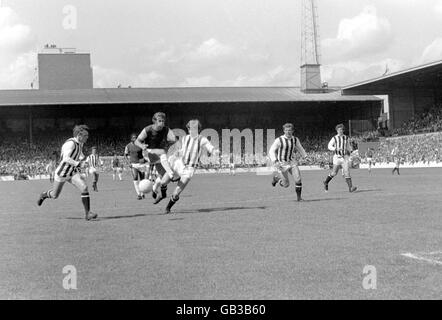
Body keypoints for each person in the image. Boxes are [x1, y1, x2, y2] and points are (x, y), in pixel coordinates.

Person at [37, 125, 97, 221]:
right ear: (79, 135)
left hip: (72, 172)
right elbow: (66, 158)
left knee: (84, 187)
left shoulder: (80, 143)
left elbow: (79, 154)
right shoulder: (70, 143)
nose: (87, 137)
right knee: (54, 195)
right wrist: (78, 163)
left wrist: (83, 160)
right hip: (62, 173)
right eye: (85, 135)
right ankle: (44, 195)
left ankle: (87, 214)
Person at [161, 119, 219, 213]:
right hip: (179, 164)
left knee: (176, 193)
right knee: (163, 182)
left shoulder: (202, 139)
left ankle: (167, 208)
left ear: (197, 129)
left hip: (189, 170)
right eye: (189, 128)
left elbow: (209, 147)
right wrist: (177, 153)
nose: (190, 130)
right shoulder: (185, 138)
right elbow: (183, 151)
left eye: (192, 128)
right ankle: (165, 191)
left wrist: (214, 151)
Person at [135, 112, 178, 203]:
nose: (161, 123)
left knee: (162, 177)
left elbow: (174, 140)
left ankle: (154, 188)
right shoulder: (148, 129)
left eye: (163, 121)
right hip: (148, 152)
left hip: (159, 155)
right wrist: (142, 146)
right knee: (162, 153)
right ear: (154, 121)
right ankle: (171, 174)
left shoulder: (166, 129)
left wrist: (169, 143)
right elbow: (137, 141)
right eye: (159, 121)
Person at [269, 123, 307, 202]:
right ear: (284, 131)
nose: (288, 132)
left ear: (292, 131)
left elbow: (300, 148)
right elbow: (271, 150)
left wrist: (305, 156)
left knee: (298, 179)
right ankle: (277, 179)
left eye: (289, 130)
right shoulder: (279, 140)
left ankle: (299, 198)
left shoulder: (295, 139)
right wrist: (275, 161)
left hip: (292, 162)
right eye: (286, 130)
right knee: (286, 185)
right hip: (282, 164)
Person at [323, 124, 357, 193]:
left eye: (341, 129)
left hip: (344, 157)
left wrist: (352, 152)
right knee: (334, 173)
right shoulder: (334, 138)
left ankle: (351, 188)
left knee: (347, 172)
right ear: (337, 130)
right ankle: (326, 182)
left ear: (343, 130)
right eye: (338, 130)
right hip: (337, 157)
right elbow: (329, 146)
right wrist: (336, 148)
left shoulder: (346, 138)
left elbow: (348, 147)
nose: (340, 131)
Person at [125, 133, 147, 200]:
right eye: (133, 137)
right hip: (133, 164)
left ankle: (142, 193)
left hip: (141, 164)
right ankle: (139, 194)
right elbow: (125, 155)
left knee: (142, 179)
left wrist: (145, 159)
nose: (135, 138)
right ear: (131, 139)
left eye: (136, 137)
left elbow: (146, 153)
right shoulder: (128, 146)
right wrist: (129, 163)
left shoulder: (140, 145)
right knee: (135, 177)